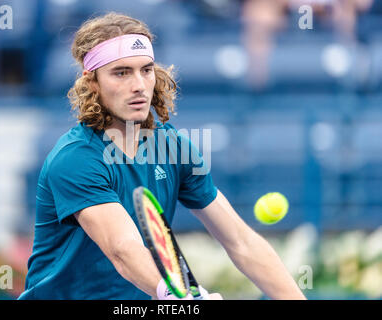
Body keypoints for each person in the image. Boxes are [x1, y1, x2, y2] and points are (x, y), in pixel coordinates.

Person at [18, 12, 306, 300]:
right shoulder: (75, 159)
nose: (139, 85)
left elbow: (241, 242)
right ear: (92, 82)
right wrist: (180, 297)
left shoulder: (173, 147)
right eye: (121, 72)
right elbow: (123, 249)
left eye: (146, 70)